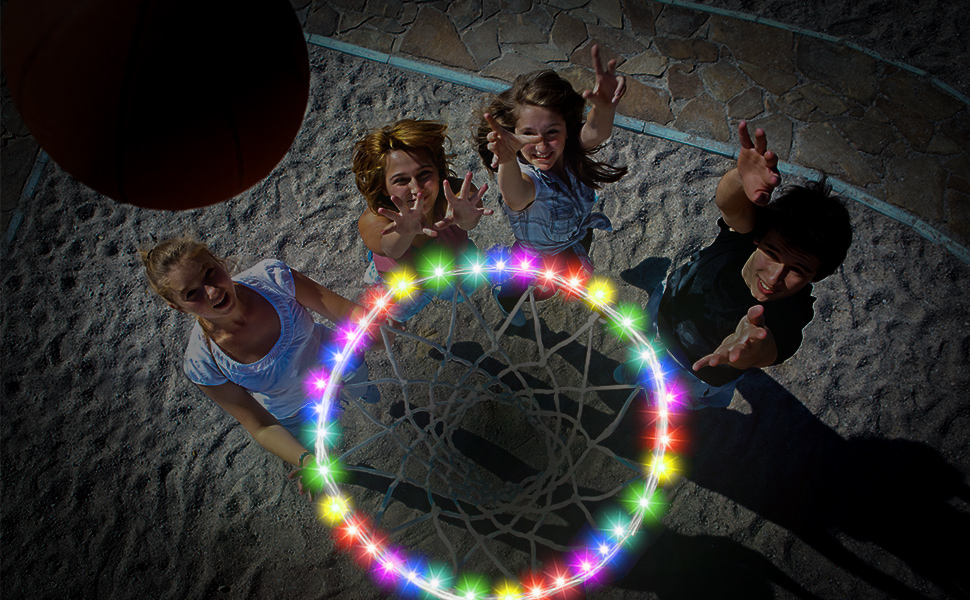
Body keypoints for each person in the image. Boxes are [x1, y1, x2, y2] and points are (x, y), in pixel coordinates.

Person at [615, 121, 853, 409]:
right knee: (641, 351)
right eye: (772, 253)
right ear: (758, 238)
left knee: (671, 405)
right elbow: (730, 205)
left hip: (699, 374)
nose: (776, 276)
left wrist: (750, 349)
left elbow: (769, 348)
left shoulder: (794, 313)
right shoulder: (738, 240)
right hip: (663, 313)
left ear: (818, 275)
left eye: (799, 270)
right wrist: (740, 178)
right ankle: (635, 370)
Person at [141, 237, 377, 498]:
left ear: (218, 261)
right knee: (321, 455)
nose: (212, 291)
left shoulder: (272, 278)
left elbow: (346, 311)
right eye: (191, 293)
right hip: (295, 412)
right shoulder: (202, 363)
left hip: (340, 362)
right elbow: (260, 425)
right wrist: (305, 459)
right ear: (178, 307)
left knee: (362, 386)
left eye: (209, 272)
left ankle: (364, 392)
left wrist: (375, 327)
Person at [475, 44, 628, 326]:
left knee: (574, 274)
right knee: (537, 288)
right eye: (528, 135)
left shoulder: (569, 152)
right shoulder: (527, 178)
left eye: (552, 132)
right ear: (513, 134)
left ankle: (589, 296)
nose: (542, 145)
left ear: (567, 129)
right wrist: (508, 159)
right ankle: (507, 298)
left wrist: (604, 106)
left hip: (575, 235)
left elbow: (596, 131)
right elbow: (514, 195)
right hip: (535, 256)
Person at [355, 119, 491, 323]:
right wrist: (405, 231)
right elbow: (390, 247)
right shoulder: (373, 219)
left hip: (451, 267)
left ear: (438, 171)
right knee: (395, 315)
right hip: (403, 282)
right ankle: (374, 269)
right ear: (383, 186)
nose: (416, 189)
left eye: (424, 174)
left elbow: (466, 221)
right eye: (401, 180)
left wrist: (468, 217)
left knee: (466, 290)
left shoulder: (454, 195)